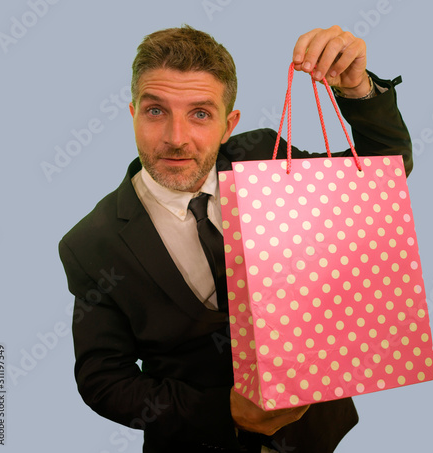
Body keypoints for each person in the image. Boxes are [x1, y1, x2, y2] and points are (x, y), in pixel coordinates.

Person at [59, 25, 412, 453]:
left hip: (315, 428)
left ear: (229, 125)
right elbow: (104, 380)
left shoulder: (264, 157)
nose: (175, 137)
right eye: (156, 111)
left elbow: (380, 174)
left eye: (200, 113)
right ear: (133, 112)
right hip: (198, 440)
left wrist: (357, 87)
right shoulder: (91, 243)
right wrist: (222, 411)